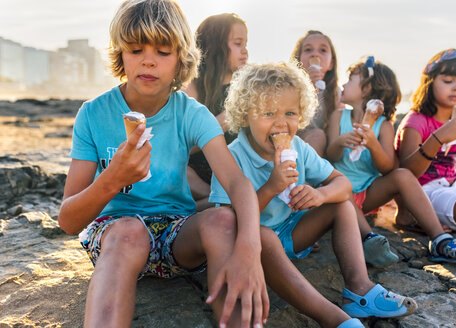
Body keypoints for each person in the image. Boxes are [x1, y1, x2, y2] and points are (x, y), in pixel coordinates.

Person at [57, 1, 269, 327]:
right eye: (136, 49)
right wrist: (113, 179)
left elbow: (237, 182)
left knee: (224, 221)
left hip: (177, 236)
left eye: (163, 51)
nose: (149, 60)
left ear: (181, 58)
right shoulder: (93, 114)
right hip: (115, 233)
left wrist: (250, 249)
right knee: (128, 231)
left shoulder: (191, 113)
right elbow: (69, 221)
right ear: (120, 54)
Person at [210, 61, 417, 327]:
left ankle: (359, 289)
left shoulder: (298, 146)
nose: (281, 124)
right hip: (254, 245)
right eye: (268, 113)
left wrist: (320, 196)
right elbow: (225, 222)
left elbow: (342, 184)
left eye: (290, 113)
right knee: (265, 236)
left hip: (293, 233)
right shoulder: (232, 157)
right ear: (244, 114)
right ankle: (331, 318)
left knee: (341, 204)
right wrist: (271, 187)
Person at [325, 56, 456, 266]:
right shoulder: (338, 116)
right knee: (341, 192)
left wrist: (373, 144)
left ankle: (439, 239)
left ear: (366, 88)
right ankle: (370, 239)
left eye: (350, 79)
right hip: (338, 191)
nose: (343, 84)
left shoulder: (384, 125)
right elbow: (329, 156)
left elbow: (388, 166)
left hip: (368, 192)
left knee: (403, 176)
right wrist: (341, 142)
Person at [395, 48, 456, 233]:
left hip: (453, 185)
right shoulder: (417, 120)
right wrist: (438, 138)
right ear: (429, 83)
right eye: (448, 81)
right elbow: (406, 174)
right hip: (423, 195)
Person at [182, 13, 248, 211]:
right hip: (200, 174)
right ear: (214, 46)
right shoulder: (192, 88)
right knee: (179, 170)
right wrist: (222, 121)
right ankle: (216, 200)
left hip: (235, 170)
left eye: (246, 43)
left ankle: (211, 205)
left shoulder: (248, 87)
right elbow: (181, 147)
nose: (245, 51)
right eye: (238, 43)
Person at [291, 30, 342, 156]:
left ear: (331, 63)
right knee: (317, 135)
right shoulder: (289, 87)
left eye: (322, 50)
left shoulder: (335, 93)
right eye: (308, 50)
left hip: (324, 145)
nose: (315, 55)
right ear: (298, 60)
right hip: (294, 138)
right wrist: (307, 86)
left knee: (321, 135)